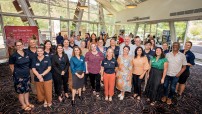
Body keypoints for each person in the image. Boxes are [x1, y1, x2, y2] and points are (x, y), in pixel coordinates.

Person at [9, 40, 34, 111]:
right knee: (21, 91)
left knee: (27, 90)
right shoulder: (13, 56)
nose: (20, 46)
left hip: (27, 75)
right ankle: (23, 105)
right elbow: (11, 66)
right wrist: (15, 74)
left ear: (23, 45)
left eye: (21, 45)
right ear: (16, 47)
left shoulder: (26, 53)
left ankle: (27, 102)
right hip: (18, 77)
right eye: (18, 45)